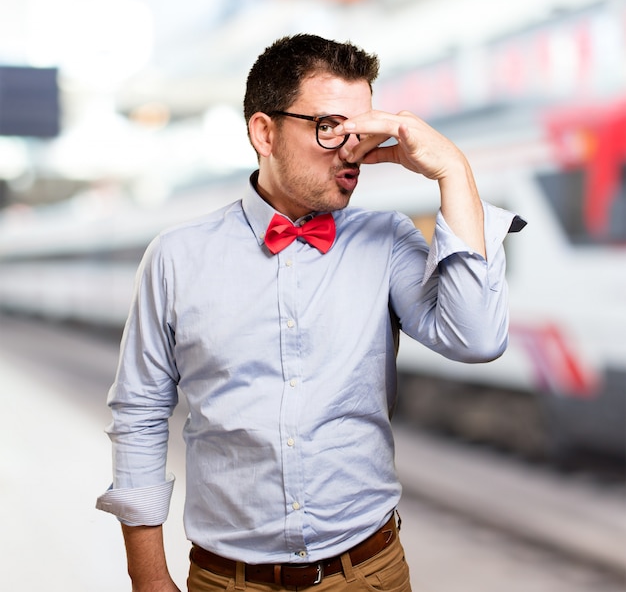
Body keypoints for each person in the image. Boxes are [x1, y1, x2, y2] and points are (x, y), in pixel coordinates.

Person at [96, 34, 525, 592]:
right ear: (264, 132)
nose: (353, 150)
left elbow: (478, 338)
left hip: (368, 575)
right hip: (227, 581)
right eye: (329, 127)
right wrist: (148, 577)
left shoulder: (388, 240)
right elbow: (139, 411)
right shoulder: (176, 258)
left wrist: (452, 170)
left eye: (364, 130)